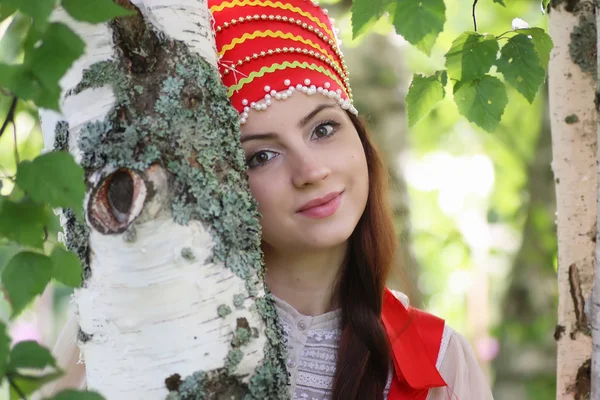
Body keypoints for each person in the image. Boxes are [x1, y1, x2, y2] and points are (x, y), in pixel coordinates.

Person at [39, 0, 494, 399]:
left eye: (323, 128)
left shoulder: (438, 360)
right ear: (222, 181)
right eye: (262, 156)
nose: (311, 171)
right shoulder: (127, 324)